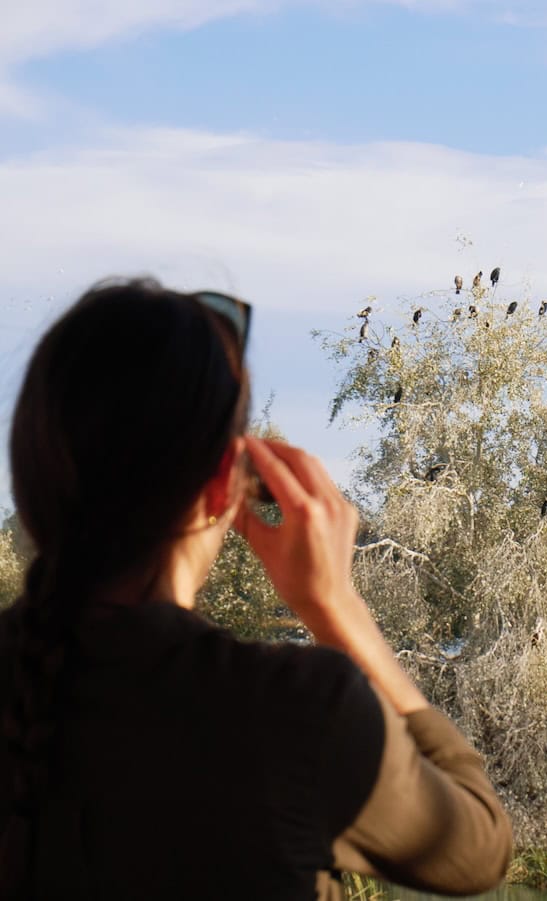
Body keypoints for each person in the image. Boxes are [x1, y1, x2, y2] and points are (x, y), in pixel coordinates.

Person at [0, 279, 512, 899]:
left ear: (29, 481)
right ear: (223, 484)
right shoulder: (297, 712)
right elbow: (478, 848)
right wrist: (335, 605)